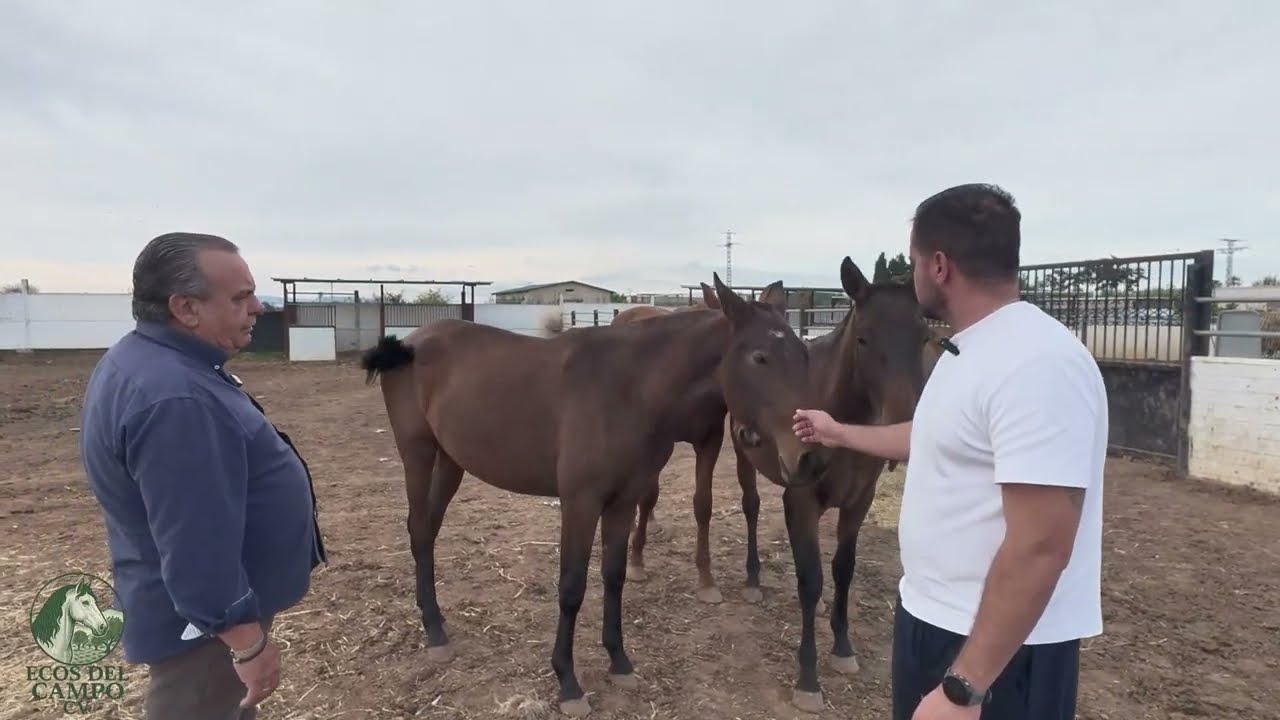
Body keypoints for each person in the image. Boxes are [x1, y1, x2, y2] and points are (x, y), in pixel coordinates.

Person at [793, 184, 1107, 720]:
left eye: (914, 259)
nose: (912, 272)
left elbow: (1042, 545)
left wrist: (966, 686)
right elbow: (930, 435)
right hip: (935, 618)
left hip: (1002, 651)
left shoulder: (1038, 364)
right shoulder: (966, 350)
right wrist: (839, 432)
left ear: (938, 265)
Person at [79, 232, 327, 719]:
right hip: (203, 636)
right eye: (239, 297)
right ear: (186, 308)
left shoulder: (152, 363)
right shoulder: (177, 399)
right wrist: (246, 643)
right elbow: (197, 545)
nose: (257, 306)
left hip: (195, 620)